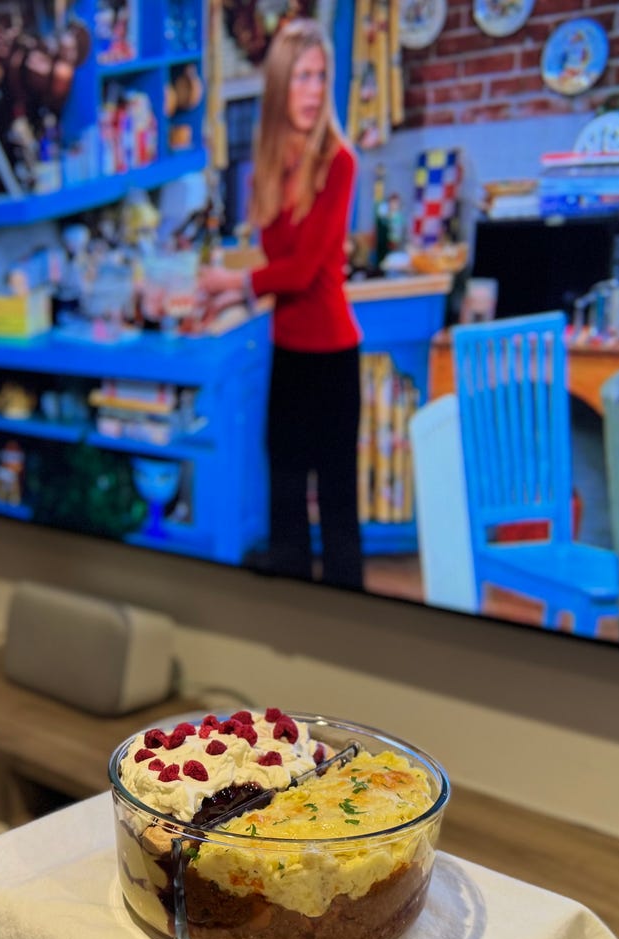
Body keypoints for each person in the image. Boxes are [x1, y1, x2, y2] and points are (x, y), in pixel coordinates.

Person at [200, 18, 363, 589]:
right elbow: (270, 260)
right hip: (289, 355)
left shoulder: (339, 163)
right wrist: (212, 281)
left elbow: (303, 270)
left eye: (320, 76)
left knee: (338, 505)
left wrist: (230, 285)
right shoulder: (267, 171)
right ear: (279, 86)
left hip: (334, 356)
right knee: (285, 499)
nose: (313, 90)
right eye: (300, 77)